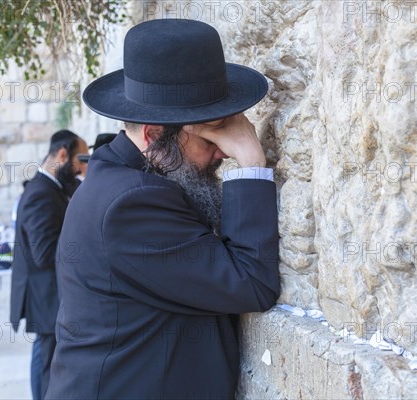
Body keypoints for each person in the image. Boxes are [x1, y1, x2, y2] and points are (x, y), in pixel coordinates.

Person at [46, 19, 279, 400]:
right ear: (154, 135)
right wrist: (251, 163)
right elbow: (252, 283)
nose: (224, 149)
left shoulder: (123, 179)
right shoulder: (131, 203)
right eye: (212, 134)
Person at [9, 130, 88, 400]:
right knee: (46, 363)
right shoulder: (40, 193)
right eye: (80, 158)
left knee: (44, 357)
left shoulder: (53, 187)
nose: (80, 167)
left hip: (49, 292)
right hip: (45, 294)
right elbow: (44, 253)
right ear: (62, 154)